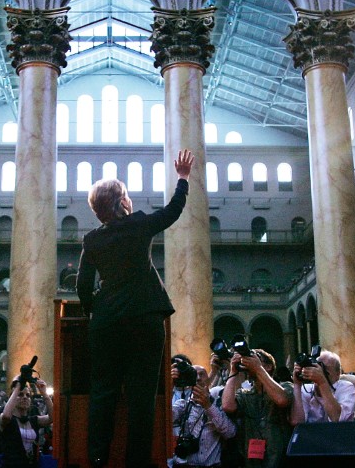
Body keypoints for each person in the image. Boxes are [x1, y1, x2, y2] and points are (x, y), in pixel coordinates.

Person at [77, 148, 194, 468]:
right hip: (144, 318)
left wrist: (94, 311)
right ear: (122, 201)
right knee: (141, 398)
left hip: (106, 324)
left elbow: (82, 286)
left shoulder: (91, 240)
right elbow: (172, 211)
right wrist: (182, 178)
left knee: (103, 395)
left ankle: (98, 460)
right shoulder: (139, 224)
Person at [221, 349, 292, 468]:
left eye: (256, 357)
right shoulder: (245, 393)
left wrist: (258, 368)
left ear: (268, 366)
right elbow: (228, 406)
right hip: (251, 459)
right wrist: (233, 370)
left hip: (280, 457)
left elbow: (281, 400)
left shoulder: (285, 386)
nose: (249, 361)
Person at [170, 361, 235, 467]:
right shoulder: (183, 404)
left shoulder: (218, 403)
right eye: (194, 375)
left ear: (209, 379)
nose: (198, 378)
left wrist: (208, 406)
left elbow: (230, 433)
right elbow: (165, 420)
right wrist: (169, 385)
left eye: (202, 374)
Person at [289, 349, 355, 424]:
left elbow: (336, 419)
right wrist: (297, 384)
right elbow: (296, 422)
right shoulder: (306, 389)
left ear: (338, 374)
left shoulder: (346, 387)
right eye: (317, 366)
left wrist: (322, 382)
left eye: (325, 368)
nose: (319, 371)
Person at [0, 378, 53, 468]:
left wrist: (44, 393)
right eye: (20, 394)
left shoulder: (33, 420)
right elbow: (6, 416)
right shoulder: (6, 419)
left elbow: (52, 418)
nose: (25, 397)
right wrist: (17, 388)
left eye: (28, 395)